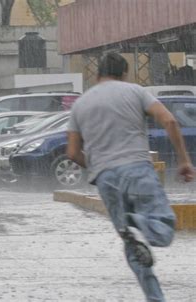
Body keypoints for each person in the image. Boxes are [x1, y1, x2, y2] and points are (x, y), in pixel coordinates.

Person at [66, 53, 194, 301]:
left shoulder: (80, 104)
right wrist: (184, 160)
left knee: (132, 245)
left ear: (97, 75)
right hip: (137, 169)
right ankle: (136, 221)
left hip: (105, 179)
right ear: (124, 73)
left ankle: (154, 296)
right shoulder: (135, 91)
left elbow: (71, 152)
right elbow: (169, 120)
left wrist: (96, 166)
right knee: (164, 227)